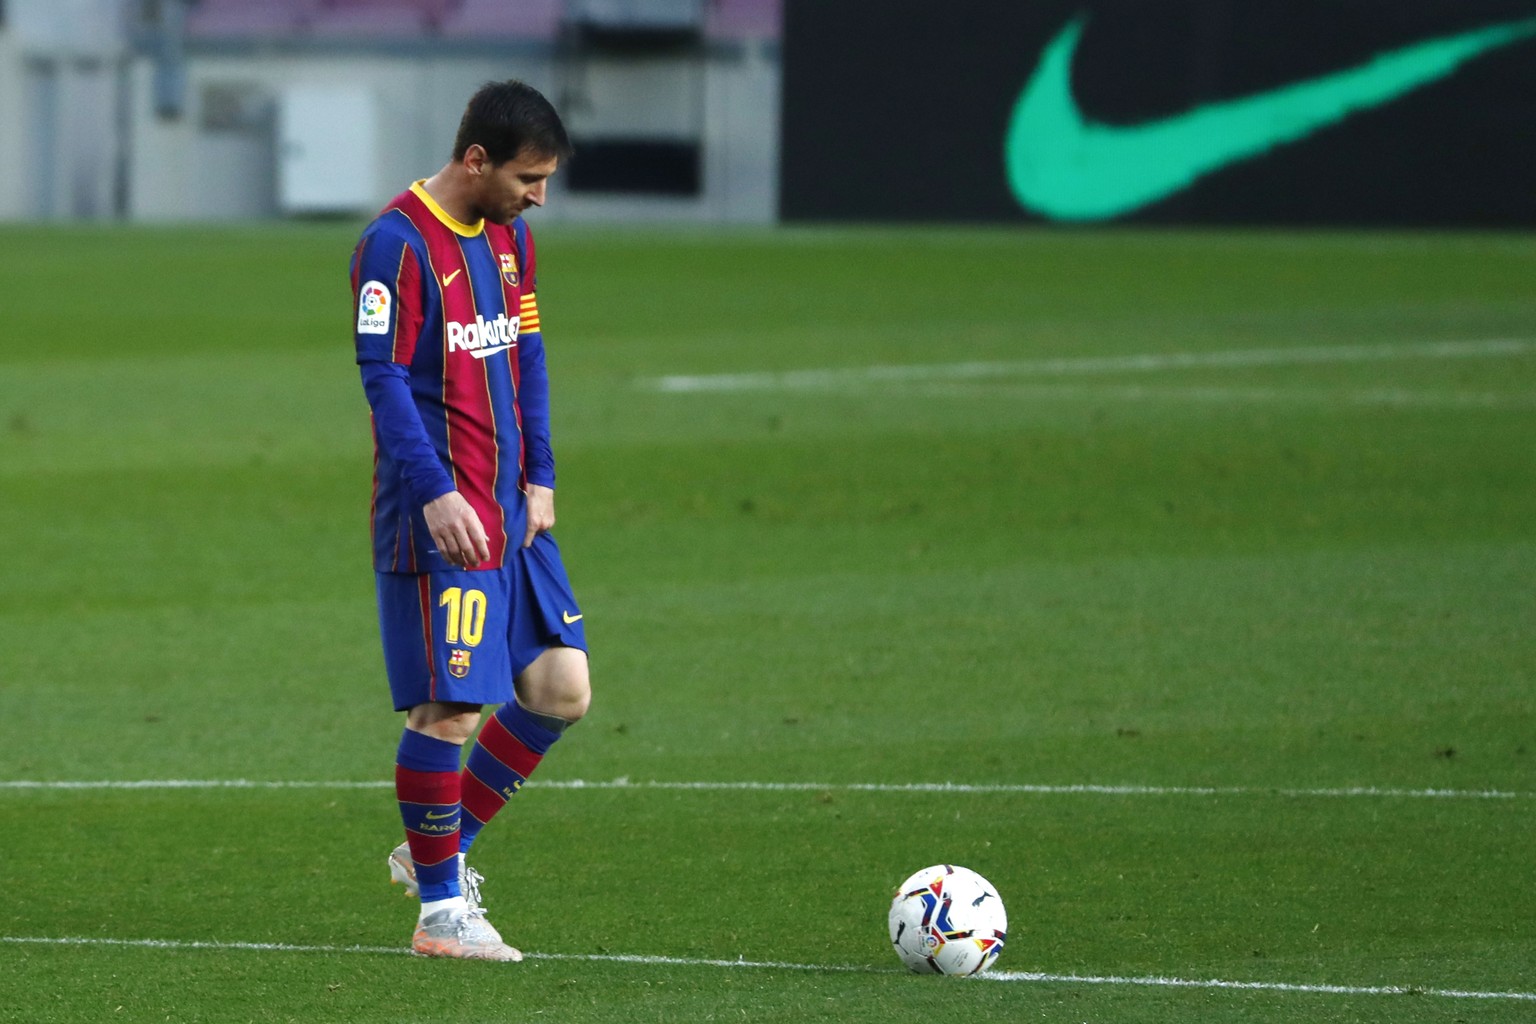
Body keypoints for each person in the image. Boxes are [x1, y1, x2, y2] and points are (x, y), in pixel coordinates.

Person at [348, 80, 589, 962]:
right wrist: (436, 493)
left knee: (562, 689)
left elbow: (526, 352)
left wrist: (542, 477)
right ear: (476, 160)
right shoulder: (395, 246)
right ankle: (442, 914)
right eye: (529, 177)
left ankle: (428, 853)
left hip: (513, 508)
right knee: (450, 709)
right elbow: (383, 382)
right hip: (442, 518)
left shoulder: (511, 240)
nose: (539, 196)